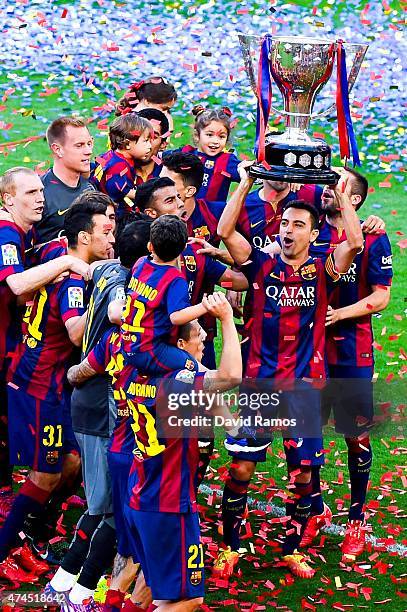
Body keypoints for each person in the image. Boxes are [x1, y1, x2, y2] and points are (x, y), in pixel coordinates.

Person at [215, 165, 364, 579]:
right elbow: (226, 232)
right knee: (241, 469)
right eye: (284, 223)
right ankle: (230, 548)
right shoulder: (260, 265)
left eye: (298, 225)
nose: (288, 230)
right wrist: (245, 183)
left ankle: (292, 547)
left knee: (303, 476)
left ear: (313, 235)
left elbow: (354, 241)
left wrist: (336, 188)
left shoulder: (322, 271)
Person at [69, 293, 242, 610]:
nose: (204, 345)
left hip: (140, 485)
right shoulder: (177, 379)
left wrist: (232, 428)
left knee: (141, 568)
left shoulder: (133, 368)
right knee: (188, 599)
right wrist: (227, 319)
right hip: (167, 500)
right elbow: (230, 376)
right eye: (199, 340)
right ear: (178, 346)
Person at [0, 195, 115, 581]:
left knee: (71, 462)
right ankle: (5, 549)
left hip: (43, 381)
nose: (111, 237)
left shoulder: (55, 251)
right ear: (83, 238)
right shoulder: (74, 283)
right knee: (45, 474)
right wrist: (107, 307)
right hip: (39, 386)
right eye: (106, 230)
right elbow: (75, 330)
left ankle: (32, 535)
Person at [45, 217, 153, 611]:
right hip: (101, 404)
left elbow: (95, 268)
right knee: (107, 508)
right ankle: (78, 591)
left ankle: (64, 583)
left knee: (103, 506)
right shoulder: (124, 287)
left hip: (91, 401)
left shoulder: (109, 267)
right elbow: (116, 311)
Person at [300, 169, 393, 562]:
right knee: (310, 431)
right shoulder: (309, 228)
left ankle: (356, 518)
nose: (325, 188)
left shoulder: (373, 237)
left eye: (335, 184)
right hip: (310, 348)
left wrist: (339, 315)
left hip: (352, 350)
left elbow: (381, 297)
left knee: (355, 435)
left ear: (353, 200)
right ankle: (317, 510)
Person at [0, 167, 92, 531]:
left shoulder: (28, 232)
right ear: (8, 200)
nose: (40, 198)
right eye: (29, 193)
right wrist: (69, 261)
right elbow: (19, 285)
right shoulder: (7, 233)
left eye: (40, 191)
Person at [119, 214, 208, 376]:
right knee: (196, 368)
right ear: (182, 249)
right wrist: (205, 306)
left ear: (150, 246)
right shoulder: (175, 279)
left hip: (127, 344)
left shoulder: (140, 263)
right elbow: (177, 317)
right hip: (151, 351)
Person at [36, 117, 95, 244]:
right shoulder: (39, 193)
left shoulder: (90, 188)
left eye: (89, 144)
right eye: (79, 146)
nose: (88, 151)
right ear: (58, 149)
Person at [91, 114, 152, 218]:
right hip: (114, 214)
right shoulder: (119, 166)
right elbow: (118, 189)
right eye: (145, 141)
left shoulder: (110, 155)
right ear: (127, 144)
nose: (150, 146)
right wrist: (148, 195)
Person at [178, 105, 241, 202]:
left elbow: (249, 174)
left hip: (212, 215)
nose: (215, 141)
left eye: (221, 136)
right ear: (196, 135)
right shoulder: (185, 153)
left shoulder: (228, 161)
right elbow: (159, 158)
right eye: (209, 135)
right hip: (182, 211)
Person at [160, 152, 224, 244]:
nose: (158, 186)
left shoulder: (216, 213)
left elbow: (248, 254)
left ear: (190, 191)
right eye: (159, 179)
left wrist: (216, 253)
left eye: (166, 183)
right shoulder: (152, 215)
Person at [134, 109, 170, 184]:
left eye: (153, 137)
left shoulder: (171, 172)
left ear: (163, 145)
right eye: (140, 134)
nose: (145, 142)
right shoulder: (113, 168)